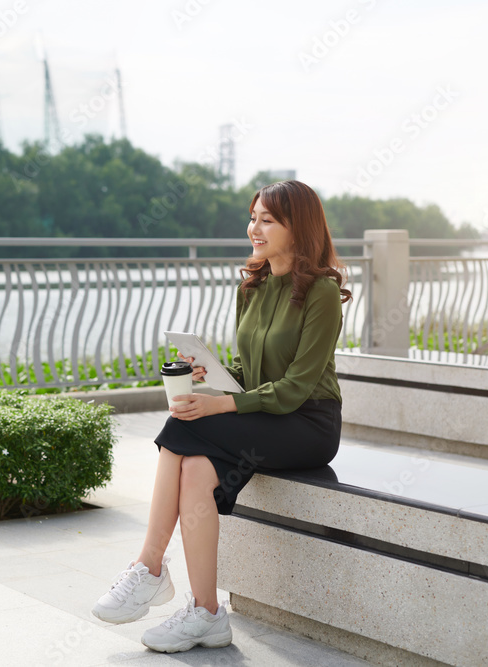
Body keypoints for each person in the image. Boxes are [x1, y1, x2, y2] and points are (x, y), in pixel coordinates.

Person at [91, 180, 353, 654]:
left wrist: (222, 403)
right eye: (253, 217)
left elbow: (295, 386)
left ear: (300, 227)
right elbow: (251, 373)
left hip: (308, 424)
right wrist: (207, 375)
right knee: (193, 467)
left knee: (184, 424)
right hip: (268, 415)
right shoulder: (251, 287)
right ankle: (207, 614)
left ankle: (150, 566)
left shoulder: (322, 293)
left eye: (267, 219)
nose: (254, 228)